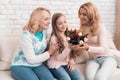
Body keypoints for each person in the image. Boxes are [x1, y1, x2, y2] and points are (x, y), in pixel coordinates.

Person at [10, 7, 59, 80]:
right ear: (37, 20)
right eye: (46, 19)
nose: (49, 22)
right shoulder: (26, 35)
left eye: (49, 19)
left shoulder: (44, 32)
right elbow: (31, 59)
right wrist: (49, 52)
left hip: (37, 64)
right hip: (20, 65)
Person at [72, 2, 117, 80]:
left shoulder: (100, 27)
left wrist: (88, 48)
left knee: (99, 78)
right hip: (92, 59)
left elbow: (104, 48)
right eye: (80, 14)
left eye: (84, 14)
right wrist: (77, 49)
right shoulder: (81, 29)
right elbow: (81, 46)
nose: (81, 16)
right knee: (90, 78)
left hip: (107, 57)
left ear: (91, 15)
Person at [47, 13, 82, 80]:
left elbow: (71, 52)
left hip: (66, 62)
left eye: (65, 22)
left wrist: (71, 63)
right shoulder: (54, 38)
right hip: (55, 64)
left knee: (78, 78)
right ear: (55, 26)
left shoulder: (69, 35)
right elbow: (58, 58)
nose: (63, 25)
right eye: (60, 24)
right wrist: (69, 47)